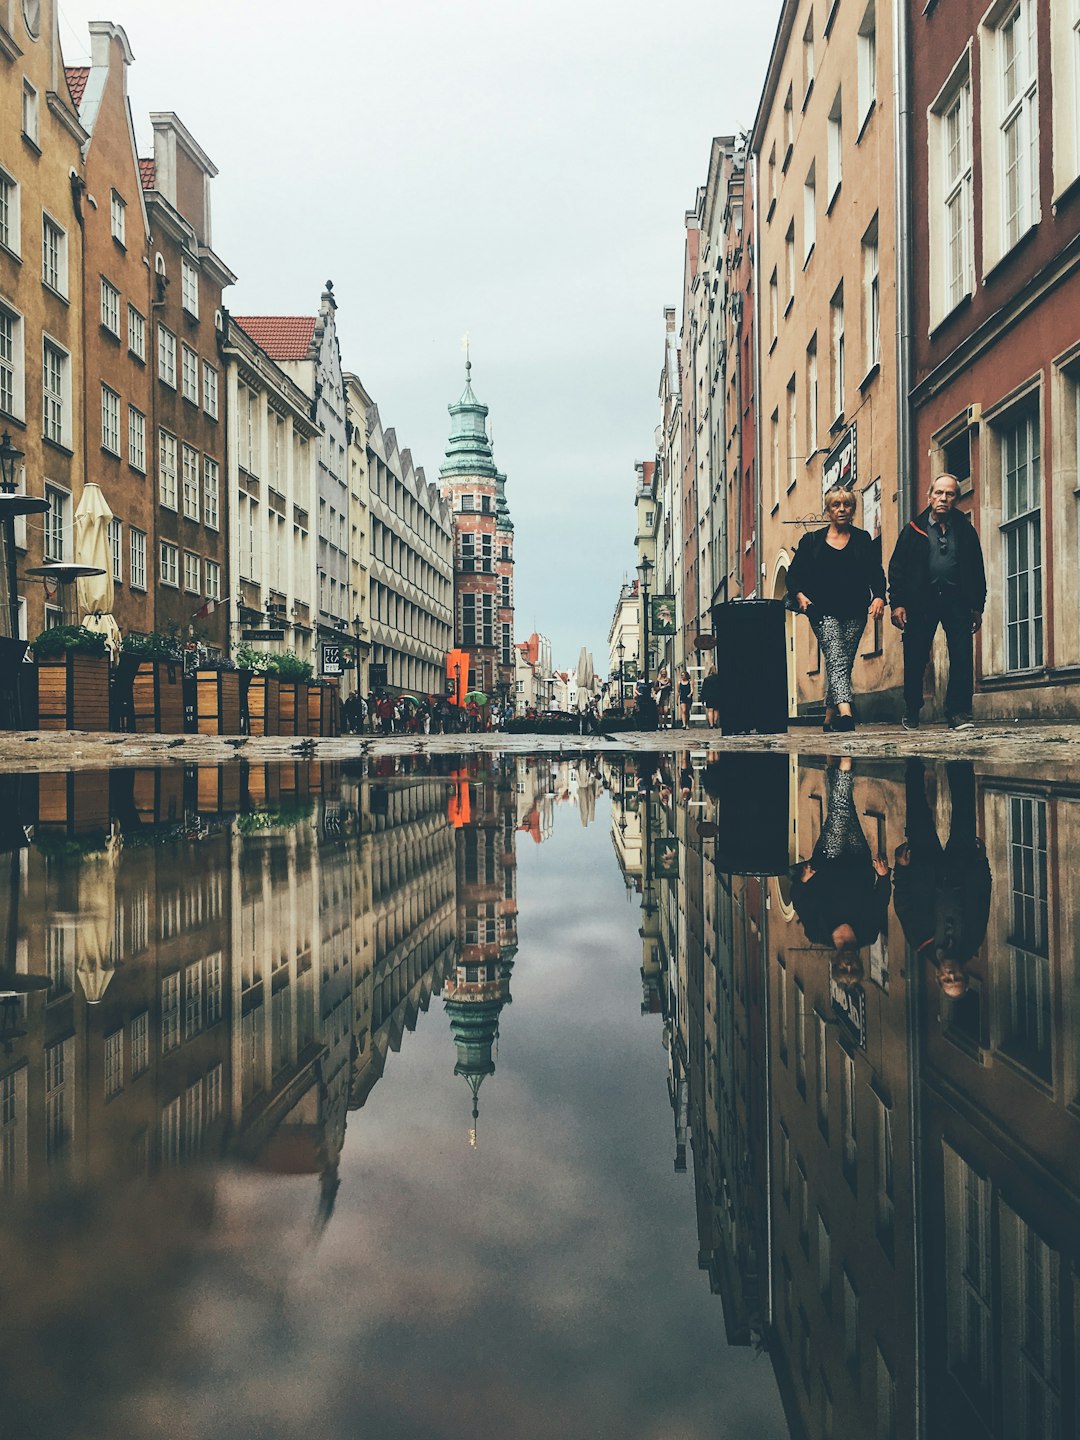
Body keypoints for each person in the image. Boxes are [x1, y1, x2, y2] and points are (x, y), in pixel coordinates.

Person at [888, 473, 986, 731]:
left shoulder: (965, 530)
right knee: (916, 656)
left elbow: (977, 569)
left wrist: (977, 606)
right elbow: (896, 569)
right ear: (929, 496)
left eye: (949, 494)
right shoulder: (912, 530)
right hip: (921, 602)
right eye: (939, 493)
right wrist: (897, 603)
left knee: (962, 656)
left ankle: (958, 713)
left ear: (956, 498)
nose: (943, 498)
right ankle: (912, 709)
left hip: (957, 601)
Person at [787, 484, 886, 732]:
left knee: (842, 661)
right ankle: (846, 714)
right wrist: (799, 595)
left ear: (853, 509)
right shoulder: (811, 541)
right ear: (828, 510)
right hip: (822, 611)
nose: (842, 509)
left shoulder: (863, 539)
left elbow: (876, 572)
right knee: (836, 656)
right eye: (836, 505)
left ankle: (829, 716)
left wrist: (879, 597)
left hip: (855, 611)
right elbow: (793, 575)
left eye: (847, 505)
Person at [789, 757, 891, 987]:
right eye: (853, 968)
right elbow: (879, 901)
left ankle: (845, 761)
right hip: (859, 861)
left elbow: (799, 901)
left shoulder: (816, 933)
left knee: (839, 810)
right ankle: (832, 756)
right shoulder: (868, 934)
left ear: (834, 963)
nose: (848, 964)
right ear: (859, 964)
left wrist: (803, 880)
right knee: (846, 809)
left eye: (842, 968)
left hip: (826, 861)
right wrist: (883, 876)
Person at [893, 759, 991, 997]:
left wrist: (902, 868)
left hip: (925, 873)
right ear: (964, 973)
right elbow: (982, 900)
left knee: (918, 817)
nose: (951, 974)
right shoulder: (972, 940)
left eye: (947, 979)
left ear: (938, 977)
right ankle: (959, 765)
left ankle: (914, 764)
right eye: (956, 978)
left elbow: (903, 905)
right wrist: (981, 863)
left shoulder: (920, 943)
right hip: (961, 872)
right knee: (964, 818)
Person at [700, 665, 722, 729]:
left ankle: (711, 724)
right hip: (717, 696)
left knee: (710, 710)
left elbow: (704, 689)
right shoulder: (718, 678)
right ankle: (715, 722)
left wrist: (702, 698)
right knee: (716, 710)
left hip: (709, 696)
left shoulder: (707, 679)